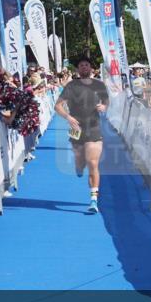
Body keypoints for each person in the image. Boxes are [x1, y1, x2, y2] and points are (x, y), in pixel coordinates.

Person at [55, 56, 109, 213]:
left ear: (91, 68)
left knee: (93, 163)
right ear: (78, 69)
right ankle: (79, 166)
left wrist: (104, 106)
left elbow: (106, 102)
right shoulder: (71, 86)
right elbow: (57, 106)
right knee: (80, 161)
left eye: (86, 64)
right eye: (81, 65)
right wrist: (68, 117)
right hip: (76, 129)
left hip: (94, 128)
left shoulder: (99, 84)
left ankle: (93, 200)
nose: (84, 67)